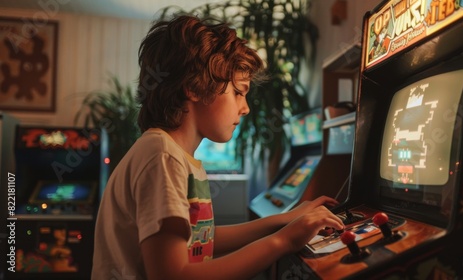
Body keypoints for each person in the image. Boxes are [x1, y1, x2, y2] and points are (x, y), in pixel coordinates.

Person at [91, 15, 344, 280]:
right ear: (195, 87)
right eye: (239, 92)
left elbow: (202, 239)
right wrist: (283, 241)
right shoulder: (163, 157)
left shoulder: (176, 156)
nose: (245, 108)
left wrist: (285, 220)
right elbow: (173, 275)